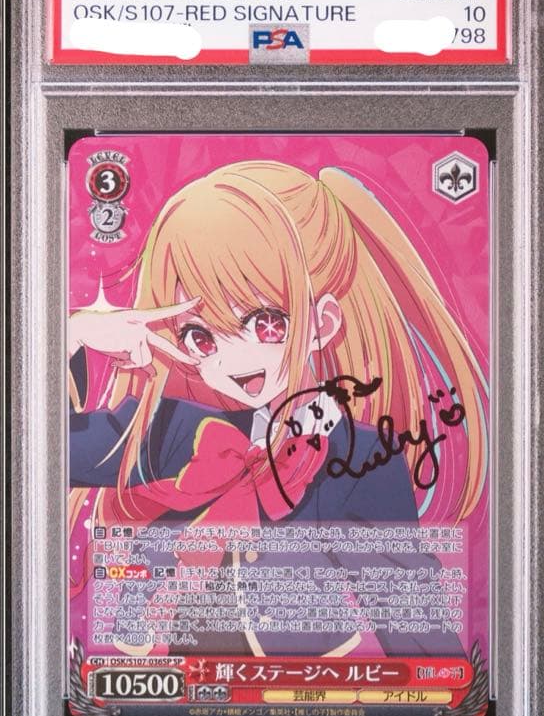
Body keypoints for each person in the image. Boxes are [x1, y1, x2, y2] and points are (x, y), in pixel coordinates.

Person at [68, 160, 487, 657]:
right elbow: (48, 454)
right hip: (191, 695)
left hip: (313, 691)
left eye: (264, 323)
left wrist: (444, 691)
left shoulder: (362, 458)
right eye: (200, 337)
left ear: (322, 323)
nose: (231, 359)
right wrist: (74, 334)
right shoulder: (177, 429)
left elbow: (412, 622)